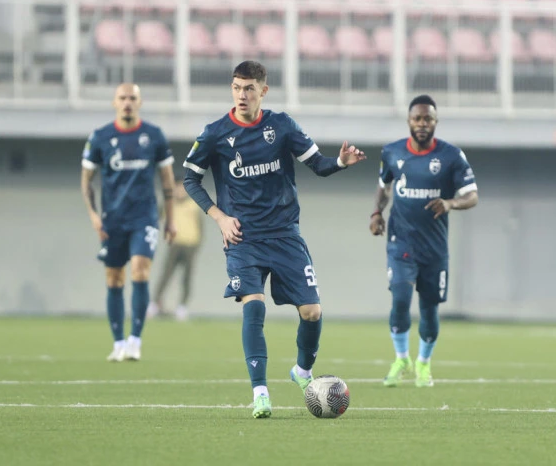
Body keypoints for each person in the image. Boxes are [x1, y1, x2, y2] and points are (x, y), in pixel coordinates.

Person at [182, 60, 366, 418]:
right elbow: (190, 178)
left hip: (284, 234)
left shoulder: (282, 126)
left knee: (312, 312)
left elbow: (319, 165)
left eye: (249, 89)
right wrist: (219, 217)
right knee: (254, 306)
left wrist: (341, 162)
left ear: (263, 91)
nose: (242, 95)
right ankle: (260, 394)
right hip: (243, 237)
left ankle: (302, 371)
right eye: (237, 88)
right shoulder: (215, 133)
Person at [369, 94, 478, 388]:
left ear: (435, 122)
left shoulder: (451, 156)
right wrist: (377, 213)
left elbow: (472, 196)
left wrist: (451, 203)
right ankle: (401, 358)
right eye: (417, 118)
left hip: (434, 247)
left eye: (427, 119)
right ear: (409, 121)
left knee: (429, 309)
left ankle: (423, 364)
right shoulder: (392, 152)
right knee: (400, 298)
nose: (422, 124)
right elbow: (384, 187)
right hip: (401, 243)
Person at [80, 83, 176, 362]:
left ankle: (135, 340)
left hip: (144, 217)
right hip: (112, 220)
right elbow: (86, 181)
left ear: (140, 102)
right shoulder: (100, 137)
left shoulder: (154, 136)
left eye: (132, 98)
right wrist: (94, 216)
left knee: (140, 270)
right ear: (114, 102)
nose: (127, 103)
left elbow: (167, 181)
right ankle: (118, 342)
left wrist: (170, 219)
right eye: (122, 98)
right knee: (114, 277)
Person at [147, 177, 204, 321]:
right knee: (166, 275)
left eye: (182, 188)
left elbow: (200, 227)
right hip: (174, 244)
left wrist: (197, 245)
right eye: (177, 188)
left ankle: (182, 307)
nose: (180, 191)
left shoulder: (193, 204)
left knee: (187, 277)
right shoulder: (169, 204)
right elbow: (155, 218)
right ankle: (155, 304)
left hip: (190, 245)